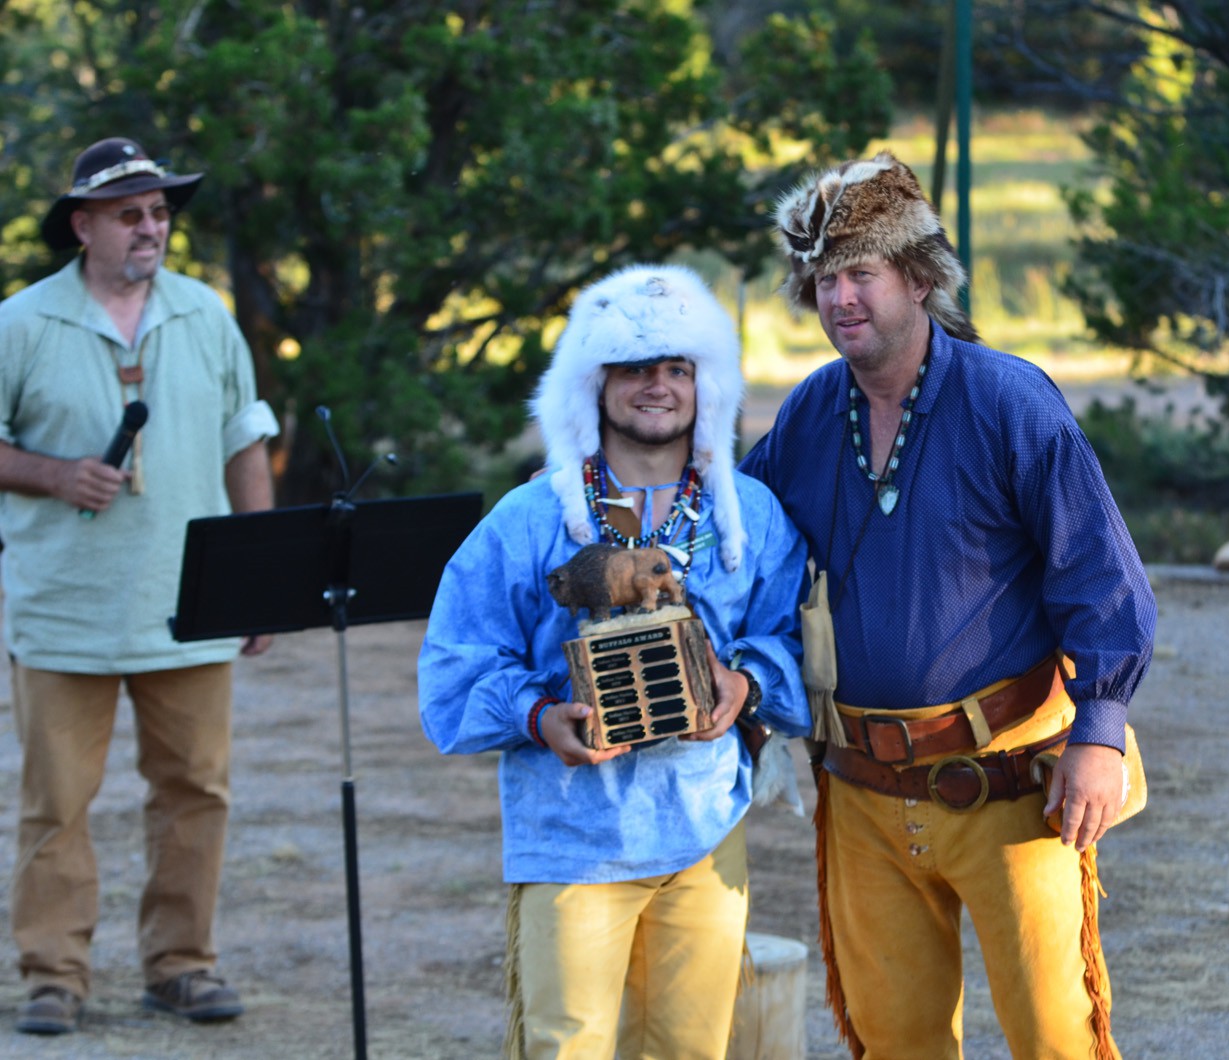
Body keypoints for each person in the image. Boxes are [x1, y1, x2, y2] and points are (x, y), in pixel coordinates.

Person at [741, 152, 1159, 1059]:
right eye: (824, 280)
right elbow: (734, 544)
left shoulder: (1010, 402)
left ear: (920, 278)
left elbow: (1102, 576)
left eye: (861, 273)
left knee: (1055, 1038)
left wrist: (1098, 732)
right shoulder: (808, 416)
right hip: (860, 792)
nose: (841, 298)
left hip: (1012, 784)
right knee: (896, 1044)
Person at [418, 263, 809, 1059]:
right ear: (593, 384)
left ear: (707, 386)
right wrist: (539, 717)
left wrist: (745, 683)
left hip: (705, 831)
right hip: (573, 838)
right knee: (568, 1048)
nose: (657, 386)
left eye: (677, 368)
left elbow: (797, 641)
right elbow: (455, 665)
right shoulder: (531, 516)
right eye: (634, 367)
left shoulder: (752, 515)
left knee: (691, 1049)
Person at [0, 136, 280, 1035]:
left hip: (188, 602)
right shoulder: (21, 323)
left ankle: (181, 967)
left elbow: (246, 438)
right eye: (129, 214)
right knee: (56, 804)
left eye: (160, 212)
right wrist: (54, 475)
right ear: (82, 227)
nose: (150, 227)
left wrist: (259, 574)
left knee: (196, 792)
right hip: (64, 607)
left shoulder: (205, 314)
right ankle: (54, 977)